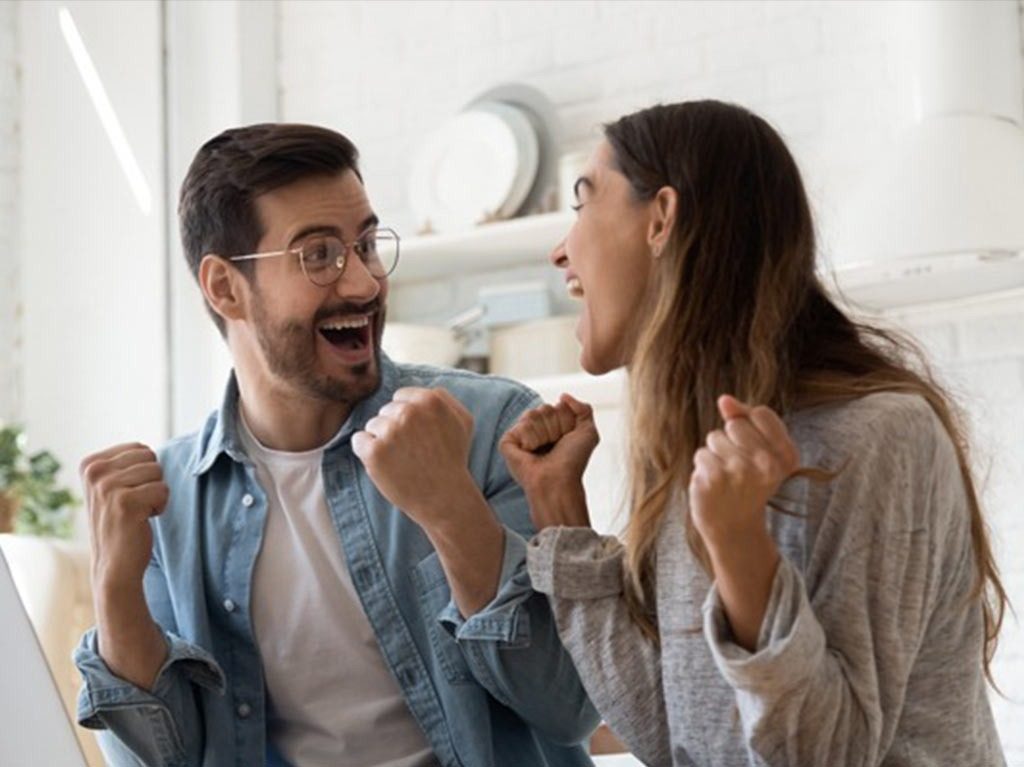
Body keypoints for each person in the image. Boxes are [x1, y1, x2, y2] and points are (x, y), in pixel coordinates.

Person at [499, 100, 1008, 767]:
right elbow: (669, 732)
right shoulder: (700, 455)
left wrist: (741, 548)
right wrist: (559, 510)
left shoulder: (881, 434)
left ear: (661, 218)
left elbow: (830, 755)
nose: (560, 250)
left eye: (583, 201)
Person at [73, 123, 598, 767]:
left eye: (367, 244)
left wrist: (451, 509)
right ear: (224, 287)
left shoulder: (491, 427)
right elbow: (157, 759)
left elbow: (571, 706)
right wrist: (114, 587)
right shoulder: (168, 500)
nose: (364, 283)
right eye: (318, 254)